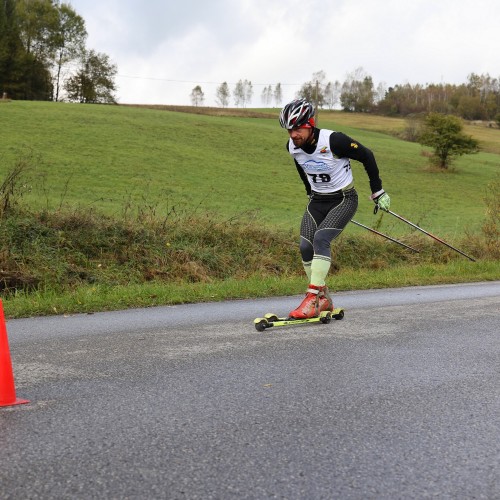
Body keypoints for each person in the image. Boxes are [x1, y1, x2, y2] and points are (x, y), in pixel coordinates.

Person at [279, 98, 391, 319]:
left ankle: (312, 298)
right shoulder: (293, 147)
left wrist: (378, 191)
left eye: (298, 128)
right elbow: (302, 167)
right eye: (289, 130)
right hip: (318, 201)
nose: (293, 135)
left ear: (310, 124)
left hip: (343, 199)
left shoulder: (334, 140)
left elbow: (367, 155)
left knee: (321, 239)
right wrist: (309, 190)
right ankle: (323, 299)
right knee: (305, 245)